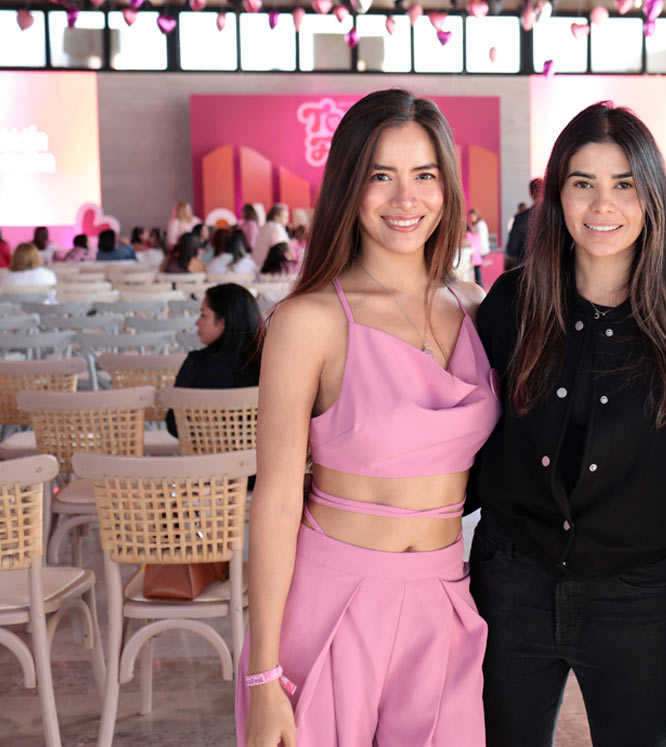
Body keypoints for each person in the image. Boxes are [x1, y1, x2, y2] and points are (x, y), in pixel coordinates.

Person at [237, 88, 498, 747]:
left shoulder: (475, 307)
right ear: (350, 186)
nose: (404, 199)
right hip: (333, 599)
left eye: (424, 176)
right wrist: (263, 673)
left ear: (448, 187)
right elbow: (273, 498)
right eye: (381, 175)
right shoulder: (309, 320)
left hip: (445, 596)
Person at [469, 102, 666, 747]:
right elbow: (470, 450)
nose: (601, 205)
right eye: (582, 183)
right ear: (557, 196)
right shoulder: (511, 302)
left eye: (624, 184)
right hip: (512, 583)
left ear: (652, 198)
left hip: (639, 600)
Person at [166, 283, 263, 437]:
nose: (197, 322)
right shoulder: (267, 365)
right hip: (252, 459)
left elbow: (174, 425)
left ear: (223, 322)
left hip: (202, 458)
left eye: (203, 315)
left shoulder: (196, 364)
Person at [504, 177, 542, 271]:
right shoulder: (560, 217)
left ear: (530, 193)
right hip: (556, 275)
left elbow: (511, 250)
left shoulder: (520, 218)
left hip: (526, 272)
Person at [253, 203, 290, 269]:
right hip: (269, 270)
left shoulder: (265, 226)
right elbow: (283, 250)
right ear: (276, 217)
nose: (287, 220)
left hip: (257, 266)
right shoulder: (276, 228)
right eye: (285, 217)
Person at [466, 208, 488, 285]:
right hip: (477, 251)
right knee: (476, 270)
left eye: (472, 216)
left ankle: (480, 286)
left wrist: (476, 250)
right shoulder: (476, 225)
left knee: (477, 269)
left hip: (480, 251)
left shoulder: (480, 225)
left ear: (476, 216)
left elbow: (479, 239)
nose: (471, 218)